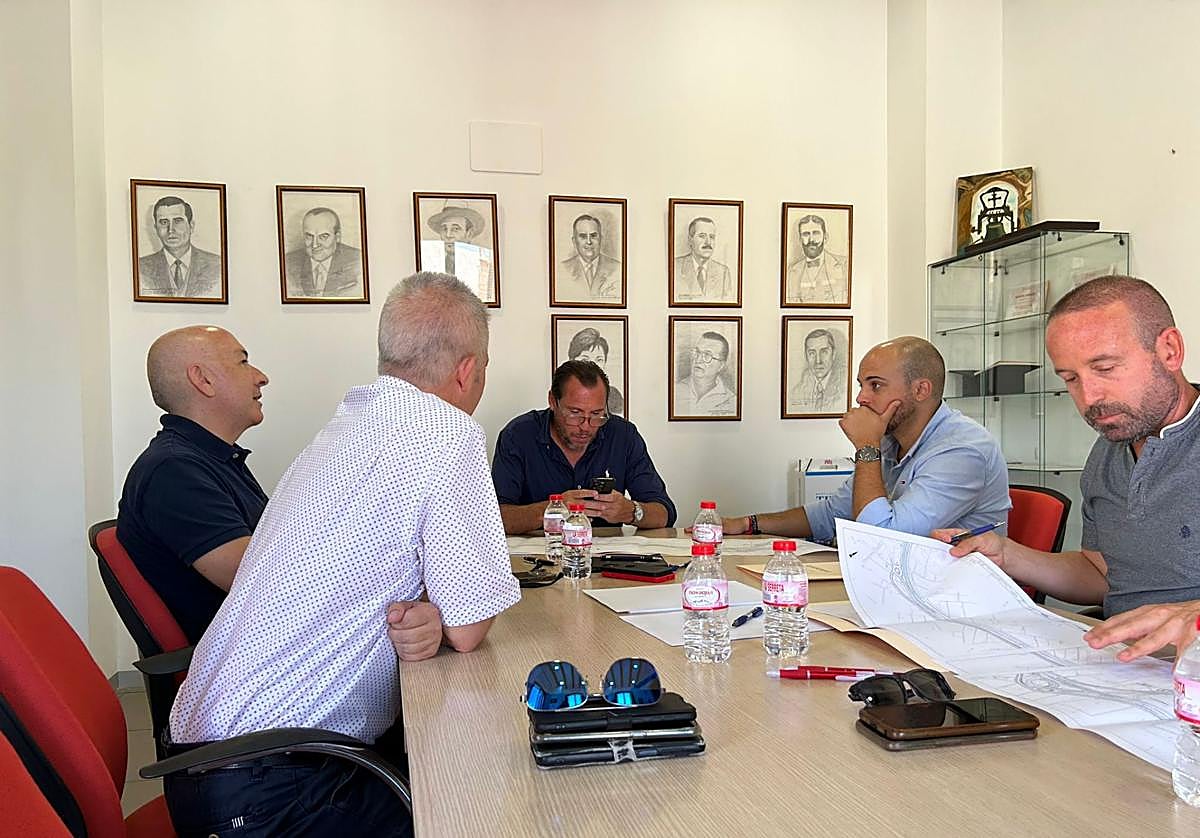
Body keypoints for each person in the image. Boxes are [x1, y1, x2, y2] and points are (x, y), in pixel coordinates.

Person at [166, 272, 521, 835]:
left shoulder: (345, 426)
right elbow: (471, 625)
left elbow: (408, 583)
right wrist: (447, 611)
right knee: (487, 809)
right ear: (468, 369)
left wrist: (433, 607)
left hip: (207, 762)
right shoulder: (448, 433)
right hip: (275, 787)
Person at [942, 276, 1200, 661]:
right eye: (1071, 379)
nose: (1090, 398)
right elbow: (1101, 575)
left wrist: (1193, 616)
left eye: (1106, 367)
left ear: (1169, 351)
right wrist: (1007, 556)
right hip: (1124, 672)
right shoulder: (1110, 447)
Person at [723, 336, 1010, 541]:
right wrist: (749, 523)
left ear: (921, 390)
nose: (861, 397)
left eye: (876, 386)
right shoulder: (891, 442)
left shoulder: (963, 451)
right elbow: (831, 515)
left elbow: (881, 537)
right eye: (862, 385)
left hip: (957, 604)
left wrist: (866, 448)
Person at [116, 326, 269, 644]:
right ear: (203, 380)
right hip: (241, 669)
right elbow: (263, 582)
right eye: (243, 362)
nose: (260, 377)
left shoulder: (211, 460)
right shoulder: (174, 471)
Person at [492, 360, 676, 533]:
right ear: (552, 401)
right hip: (540, 556)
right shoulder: (518, 436)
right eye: (575, 413)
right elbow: (495, 517)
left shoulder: (623, 435)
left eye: (597, 414)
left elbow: (665, 513)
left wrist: (632, 511)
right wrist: (551, 510)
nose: (586, 426)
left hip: (607, 558)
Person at [137, 196, 222, 298]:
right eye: (164, 222)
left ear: (191, 226)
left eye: (178, 221)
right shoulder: (140, 268)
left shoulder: (217, 265)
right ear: (156, 229)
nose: (171, 230)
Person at [421, 198, 494, 302]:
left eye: (455, 229)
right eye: (444, 229)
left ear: (469, 234)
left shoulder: (484, 264)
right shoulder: (430, 263)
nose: (448, 235)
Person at [284, 207, 363, 297]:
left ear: (337, 237)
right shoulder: (288, 263)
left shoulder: (358, 261)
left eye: (323, 236)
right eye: (309, 236)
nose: (315, 245)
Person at [785, 214, 848, 304]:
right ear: (800, 240)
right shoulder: (791, 272)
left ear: (825, 237)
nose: (811, 239)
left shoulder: (844, 265)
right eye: (806, 234)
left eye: (816, 233)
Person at [558, 214, 621, 300]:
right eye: (583, 236)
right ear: (574, 241)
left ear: (601, 239)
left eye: (593, 236)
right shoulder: (562, 269)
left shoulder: (618, 268)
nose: (589, 242)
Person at [675, 331, 736, 416]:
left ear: (721, 365)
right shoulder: (675, 390)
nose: (698, 359)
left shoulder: (731, 401)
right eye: (697, 352)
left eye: (707, 355)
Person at [788, 328, 848, 413]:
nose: (818, 361)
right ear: (806, 356)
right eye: (812, 353)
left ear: (833, 354)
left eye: (824, 352)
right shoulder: (797, 392)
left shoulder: (844, 388)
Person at [567, 327, 624, 415]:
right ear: (572, 361)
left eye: (599, 360)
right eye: (585, 359)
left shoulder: (614, 396)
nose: (593, 365)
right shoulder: (564, 391)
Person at [673, 217, 733, 301]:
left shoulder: (723, 272)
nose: (708, 242)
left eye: (712, 237)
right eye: (702, 236)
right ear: (690, 240)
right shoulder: (674, 267)